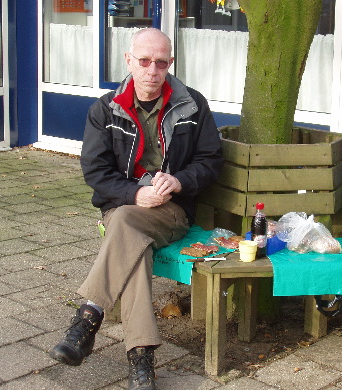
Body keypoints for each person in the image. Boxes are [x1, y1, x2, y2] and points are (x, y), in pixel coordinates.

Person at [49, 28, 223, 390]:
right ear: (128, 61)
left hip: (172, 210)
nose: (152, 70)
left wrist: (179, 182)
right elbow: (95, 172)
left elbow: (210, 161)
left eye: (161, 62)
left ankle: (89, 315)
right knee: (131, 235)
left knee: (127, 228)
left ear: (170, 63)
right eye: (144, 61)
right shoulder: (104, 108)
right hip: (124, 207)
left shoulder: (193, 105)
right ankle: (140, 359)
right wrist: (133, 194)